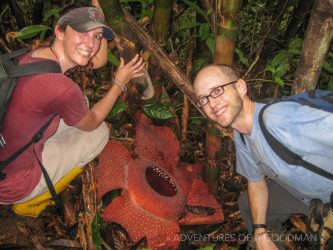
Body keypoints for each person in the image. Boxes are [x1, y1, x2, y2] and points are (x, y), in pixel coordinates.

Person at [0, 2, 145, 217]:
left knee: (82, 103)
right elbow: (93, 121)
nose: (91, 44)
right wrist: (119, 83)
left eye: (97, 36)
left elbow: (100, 60)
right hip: (13, 184)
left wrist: (98, 10)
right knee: (99, 134)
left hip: (8, 151)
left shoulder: (36, 55)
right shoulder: (61, 89)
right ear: (59, 31)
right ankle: (29, 203)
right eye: (82, 32)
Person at [193, 64, 333, 249]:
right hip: (306, 196)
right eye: (203, 99)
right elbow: (256, 182)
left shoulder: (278, 119)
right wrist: (260, 232)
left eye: (217, 91)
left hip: (327, 193)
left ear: (240, 87)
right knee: (247, 205)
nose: (212, 104)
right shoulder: (241, 134)